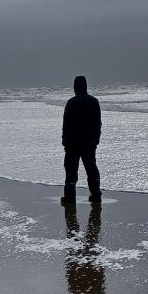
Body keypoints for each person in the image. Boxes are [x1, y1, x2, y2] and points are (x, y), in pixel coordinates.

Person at [61, 75, 101, 204]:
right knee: (91, 169)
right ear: (86, 86)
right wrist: (96, 140)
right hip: (89, 142)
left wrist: (64, 141)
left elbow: (66, 124)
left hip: (73, 143)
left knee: (71, 171)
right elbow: (98, 123)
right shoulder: (94, 101)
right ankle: (96, 194)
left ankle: (69, 197)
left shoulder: (71, 102)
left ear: (75, 87)